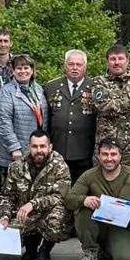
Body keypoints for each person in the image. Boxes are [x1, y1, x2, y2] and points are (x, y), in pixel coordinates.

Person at [0, 128, 72, 260]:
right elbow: (6, 196)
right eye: (35, 146)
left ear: (50, 147)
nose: (39, 150)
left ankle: (44, 250)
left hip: (47, 213)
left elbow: (61, 197)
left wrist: (33, 204)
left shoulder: (60, 166)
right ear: (29, 147)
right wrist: (4, 217)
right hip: (24, 216)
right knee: (3, 230)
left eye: (42, 146)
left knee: (58, 218)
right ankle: (30, 245)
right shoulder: (16, 167)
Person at [67, 137, 130, 260]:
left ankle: (107, 248)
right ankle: (91, 253)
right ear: (98, 156)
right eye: (105, 154)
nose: (109, 158)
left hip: (122, 226)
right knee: (84, 210)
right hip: (99, 224)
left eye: (113, 154)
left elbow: (122, 206)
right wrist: (84, 200)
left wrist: (98, 202)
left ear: (120, 156)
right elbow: (69, 200)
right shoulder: (89, 175)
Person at [91, 42, 130, 169]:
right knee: (102, 185)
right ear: (107, 62)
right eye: (113, 59)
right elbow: (103, 107)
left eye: (121, 58)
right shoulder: (99, 82)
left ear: (128, 61)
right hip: (106, 148)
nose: (117, 62)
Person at [0, 53, 50, 178]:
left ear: (32, 70)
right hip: (13, 155)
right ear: (13, 71)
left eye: (26, 68)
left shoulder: (38, 89)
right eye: (19, 68)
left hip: (34, 151)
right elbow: (3, 123)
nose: (23, 71)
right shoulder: (6, 92)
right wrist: (14, 148)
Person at [43, 49, 96, 181]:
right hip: (58, 149)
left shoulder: (95, 87)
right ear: (65, 66)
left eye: (79, 65)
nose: (75, 68)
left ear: (85, 67)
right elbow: (45, 119)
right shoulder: (51, 87)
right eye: (71, 64)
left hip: (84, 150)